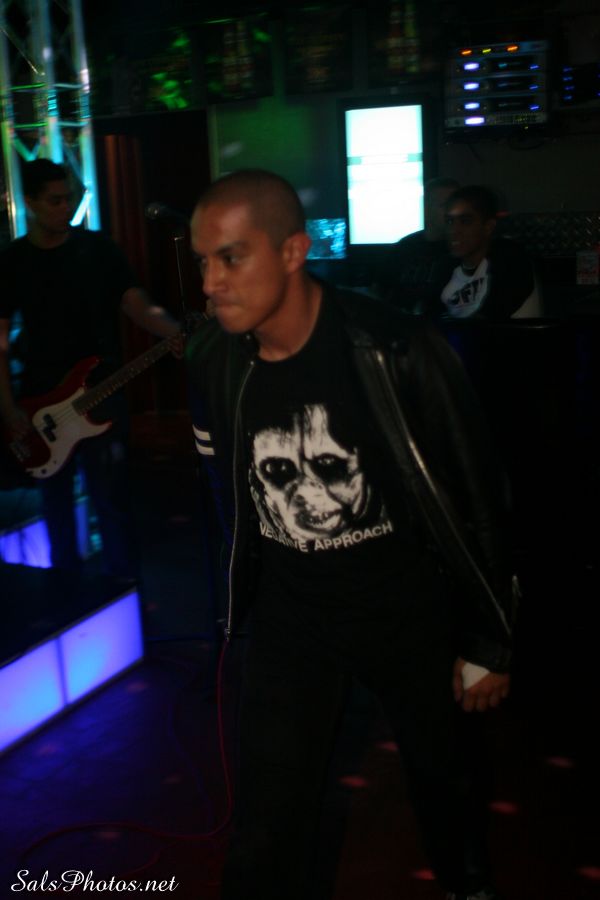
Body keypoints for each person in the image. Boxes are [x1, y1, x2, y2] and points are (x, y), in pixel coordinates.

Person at [185, 169, 519, 900]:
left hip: (408, 614)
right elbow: (227, 494)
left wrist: (488, 638)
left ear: (293, 251)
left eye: (231, 258)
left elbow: (478, 496)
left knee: (447, 791)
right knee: (268, 823)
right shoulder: (212, 361)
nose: (210, 282)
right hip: (294, 622)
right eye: (203, 261)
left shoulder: (395, 349)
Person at [0, 158, 180, 579]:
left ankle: (122, 587)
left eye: (69, 198)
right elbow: (0, 339)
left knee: (111, 498)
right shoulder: (13, 261)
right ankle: (67, 591)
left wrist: (175, 331)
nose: (66, 207)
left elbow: (135, 302)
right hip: (42, 400)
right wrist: (7, 406)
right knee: (56, 505)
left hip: (102, 391)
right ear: (30, 202)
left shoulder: (98, 249)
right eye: (55, 200)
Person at [425, 185, 541, 320]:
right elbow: (430, 315)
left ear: (488, 226)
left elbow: (496, 315)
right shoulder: (445, 265)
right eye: (450, 221)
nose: (454, 230)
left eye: (465, 221)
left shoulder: (510, 258)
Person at [376, 176, 459, 313]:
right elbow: (379, 290)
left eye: (456, 206)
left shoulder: (462, 249)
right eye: (445, 205)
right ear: (426, 208)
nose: (452, 212)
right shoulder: (404, 247)